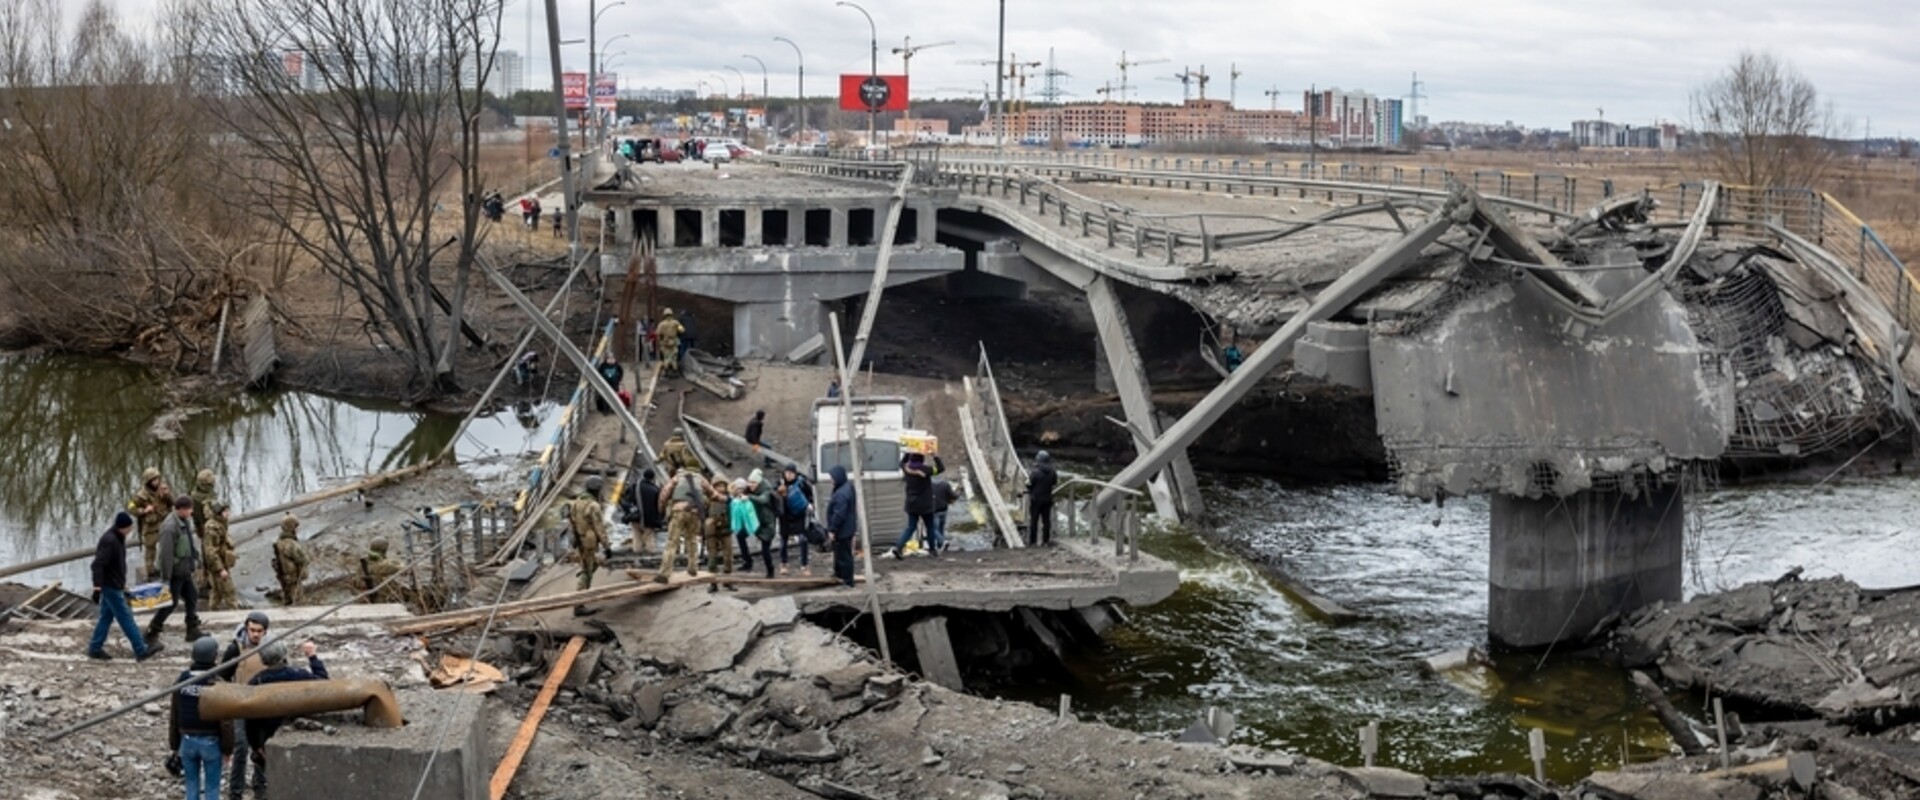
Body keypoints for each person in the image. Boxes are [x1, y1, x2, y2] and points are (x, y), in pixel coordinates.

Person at [244, 639, 329, 795]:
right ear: (284, 654)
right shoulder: (298, 675)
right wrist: (312, 657)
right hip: (300, 737)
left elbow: (250, 719)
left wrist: (255, 746)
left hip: (267, 740)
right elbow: (324, 685)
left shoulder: (256, 682)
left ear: (263, 658)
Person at [88, 511, 164, 661]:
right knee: (126, 618)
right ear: (124, 527)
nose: (131, 530)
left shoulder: (117, 537)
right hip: (111, 586)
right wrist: (97, 588)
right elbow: (97, 564)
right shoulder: (110, 541)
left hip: (114, 584)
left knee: (105, 618)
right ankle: (140, 650)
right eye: (130, 528)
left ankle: (95, 648)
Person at [170, 636, 233, 800]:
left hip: (187, 741)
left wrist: (174, 746)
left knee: (191, 787)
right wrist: (228, 749)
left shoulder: (182, 680)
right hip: (211, 742)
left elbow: (174, 715)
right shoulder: (217, 683)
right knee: (212, 789)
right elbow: (225, 720)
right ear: (214, 656)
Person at [218, 611, 272, 799]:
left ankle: (260, 784)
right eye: (252, 630)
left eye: (259, 631)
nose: (255, 634)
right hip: (241, 704)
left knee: (263, 747)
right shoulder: (235, 649)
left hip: (265, 705)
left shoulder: (272, 647)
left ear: (266, 631)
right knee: (240, 747)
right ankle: (236, 791)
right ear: (246, 629)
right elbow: (222, 676)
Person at [149, 496, 205, 644]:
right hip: (175, 572)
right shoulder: (169, 527)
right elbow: (165, 554)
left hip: (185, 570)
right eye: (190, 509)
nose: (192, 512)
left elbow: (189, 544)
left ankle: (192, 629)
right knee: (170, 603)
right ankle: (152, 630)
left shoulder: (184, 521)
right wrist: (166, 578)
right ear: (182, 509)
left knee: (192, 596)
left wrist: (196, 558)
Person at [653, 467, 708, 583]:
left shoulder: (677, 478)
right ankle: (693, 568)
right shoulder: (701, 479)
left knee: (672, 542)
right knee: (692, 540)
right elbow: (713, 494)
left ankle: (664, 574)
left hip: (678, 512)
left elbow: (664, 494)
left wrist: (661, 511)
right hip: (695, 513)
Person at [888, 452, 946, 559]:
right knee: (930, 527)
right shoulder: (926, 470)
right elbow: (941, 468)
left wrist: (907, 452)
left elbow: (901, 463)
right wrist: (935, 456)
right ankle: (932, 550)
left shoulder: (906, 469)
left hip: (911, 504)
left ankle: (898, 547)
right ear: (922, 460)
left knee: (910, 527)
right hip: (926, 505)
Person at [567, 477, 610, 615]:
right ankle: (579, 604)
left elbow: (571, 522)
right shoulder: (593, 506)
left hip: (579, 539)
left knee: (590, 565)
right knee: (587, 572)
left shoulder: (576, 502)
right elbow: (600, 528)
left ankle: (584, 578)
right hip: (589, 541)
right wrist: (607, 546)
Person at [130, 466, 174, 580]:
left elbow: (172, 504)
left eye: (157, 479)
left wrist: (167, 495)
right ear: (148, 481)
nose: (157, 482)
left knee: (168, 547)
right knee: (150, 550)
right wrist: (144, 511)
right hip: (151, 526)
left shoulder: (162, 489)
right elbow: (131, 508)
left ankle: (167, 566)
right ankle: (150, 571)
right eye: (153, 480)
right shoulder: (140, 495)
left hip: (164, 523)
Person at [777, 463, 814, 574]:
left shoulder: (802, 483)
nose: (788, 475)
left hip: (799, 515)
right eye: (786, 473)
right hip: (784, 516)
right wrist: (780, 493)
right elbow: (774, 497)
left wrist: (810, 504)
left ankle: (804, 565)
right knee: (783, 541)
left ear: (795, 473)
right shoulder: (780, 483)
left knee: (803, 540)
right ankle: (783, 564)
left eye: (791, 473)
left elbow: (810, 495)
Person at [825, 466, 857, 588]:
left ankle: (848, 581)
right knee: (839, 554)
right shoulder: (847, 487)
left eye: (832, 478)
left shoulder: (841, 494)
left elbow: (839, 514)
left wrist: (832, 529)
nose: (831, 480)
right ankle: (839, 574)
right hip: (847, 527)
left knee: (844, 556)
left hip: (843, 530)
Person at [202, 502, 238, 612]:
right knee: (229, 591)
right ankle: (235, 615)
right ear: (219, 513)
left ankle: (213, 614)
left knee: (216, 593)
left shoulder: (221, 524)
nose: (228, 513)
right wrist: (220, 569)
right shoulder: (212, 528)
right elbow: (211, 551)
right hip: (218, 566)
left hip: (221, 563)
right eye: (225, 511)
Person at [701, 479, 734, 591]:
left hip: (726, 530)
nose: (721, 488)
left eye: (722, 486)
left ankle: (727, 581)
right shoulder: (708, 499)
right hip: (712, 532)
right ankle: (713, 583)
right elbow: (703, 514)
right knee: (712, 558)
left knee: (728, 557)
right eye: (718, 486)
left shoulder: (729, 499)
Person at [619, 469, 661, 555]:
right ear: (653, 478)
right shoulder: (655, 490)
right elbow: (659, 506)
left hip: (636, 517)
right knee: (649, 538)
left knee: (636, 537)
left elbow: (624, 500)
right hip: (649, 519)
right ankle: (650, 559)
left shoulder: (635, 487)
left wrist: (629, 512)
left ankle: (636, 557)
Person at [748, 469, 779, 578]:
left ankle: (770, 570)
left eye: (753, 483)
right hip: (758, 522)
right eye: (749, 482)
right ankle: (748, 563)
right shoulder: (752, 489)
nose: (750, 485)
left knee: (765, 549)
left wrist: (749, 497)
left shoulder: (766, 490)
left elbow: (763, 500)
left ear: (758, 483)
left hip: (768, 523)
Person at [272, 515, 308, 606]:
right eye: (296, 527)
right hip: (293, 577)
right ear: (292, 528)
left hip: (284, 577)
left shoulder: (279, 542)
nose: (298, 529)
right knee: (299, 603)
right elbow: (302, 559)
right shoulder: (291, 543)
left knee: (287, 601)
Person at [1026, 450, 1059, 546]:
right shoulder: (1053, 472)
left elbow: (1028, 484)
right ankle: (1045, 540)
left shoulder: (1035, 472)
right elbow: (1054, 482)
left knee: (1034, 520)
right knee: (1046, 521)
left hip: (1036, 500)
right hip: (1047, 499)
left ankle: (1033, 541)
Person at [361, 538, 404, 605]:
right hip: (379, 597)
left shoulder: (366, 562)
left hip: (366, 595)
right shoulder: (382, 566)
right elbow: (402, 567)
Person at [931, 475, 959, 554]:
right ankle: (940, 546)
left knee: (933, 529)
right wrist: (958, 493)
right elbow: (953, 496)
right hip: (943, 510)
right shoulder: (945, 484)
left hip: (934, 510)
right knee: (941, 528)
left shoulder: (929, 485)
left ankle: (941, 542)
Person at [654, 309, 685, 376]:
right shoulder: (676, 323)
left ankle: (666, 371)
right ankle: (675, 371)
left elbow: (657, 333)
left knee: (666, 357)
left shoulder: (661, 324)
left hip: (665, 342)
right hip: (674, 342)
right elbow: (682, 330)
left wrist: (659, 343)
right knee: (674, 357)